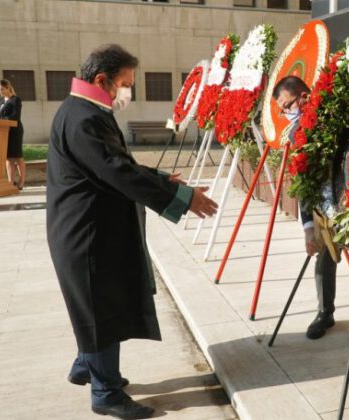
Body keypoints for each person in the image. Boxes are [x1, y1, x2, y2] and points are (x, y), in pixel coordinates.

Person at [47, 44, 217, 420]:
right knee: (99, 308)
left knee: (95, 303)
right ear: (101, 80)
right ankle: (105, 391)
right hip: (85, 234)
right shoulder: (84, 118)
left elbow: (112, 164)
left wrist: (158, 178)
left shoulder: (85, 110)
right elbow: (116, 172)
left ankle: (85, 366)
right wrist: (181, 196)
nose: (128, 92)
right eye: (125, 84)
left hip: (87, 230)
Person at [272, 76, 349, 346]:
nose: (286, 113)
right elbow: (304, 181)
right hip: (330, 202)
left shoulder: (345, 104)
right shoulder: (297, 133)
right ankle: (324, 313)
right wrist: (308, 228)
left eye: (287, 105)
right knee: (325, 253)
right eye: (283, 109)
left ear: (304, 97)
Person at [0, 79, 25, 190]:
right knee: (8, 158)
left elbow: (15, 116)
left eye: (2, 89)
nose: (0, 92)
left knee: (18, 157)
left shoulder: (16, 100)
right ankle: (10, 182)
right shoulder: (1, 101)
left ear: (8, 87)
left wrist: (2, 120)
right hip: (4, 132)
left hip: (15, 131)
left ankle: (21, 181)